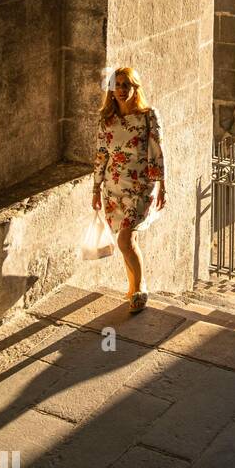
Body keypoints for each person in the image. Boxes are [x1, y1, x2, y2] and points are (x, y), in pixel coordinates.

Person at [92, 67, 166, 314]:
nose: (122, 90)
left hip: (140, 186)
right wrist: (95, 188)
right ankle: (132, 288)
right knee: (127, 241)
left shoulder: (148, 116)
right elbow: (102, 156)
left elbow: (157, 151)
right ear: (111, 90)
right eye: (118, 85)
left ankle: (140, 287)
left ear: (135, 88)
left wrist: (162, 185)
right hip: (113, 188)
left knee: (125, 239)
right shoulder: (107, 120)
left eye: (127, 85)